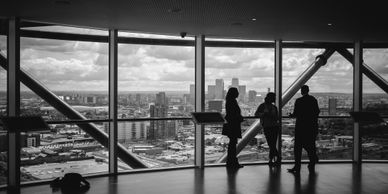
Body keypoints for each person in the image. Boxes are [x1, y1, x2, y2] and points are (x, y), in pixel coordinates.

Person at [287, 85, 320, 174]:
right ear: (308, 90)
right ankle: (312, 161)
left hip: (301, 127)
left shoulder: (299, 101)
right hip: (311, 127)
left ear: (302, 91)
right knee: (310, 145)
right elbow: (317, 112)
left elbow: (295, 113)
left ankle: (297, 166)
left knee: (298, 147)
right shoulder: (313, 100)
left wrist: (291, 115)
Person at [255, 92, 281, 167]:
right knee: (272, 144)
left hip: (270, 126)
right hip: (271, 127)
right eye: (274, 97)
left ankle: (272, 160)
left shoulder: (264, 106)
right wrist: (265, 114)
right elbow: (256, 114)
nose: (275, 99)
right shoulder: (272, 107)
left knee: (271, 144)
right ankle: (277, 158)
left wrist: (264, 115)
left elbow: (257, 114)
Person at [222, 87, 244, 169]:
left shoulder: (229, 101)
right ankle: (232, 162)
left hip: (231, 124)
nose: (238, 93)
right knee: (233, 144)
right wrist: (239, 118)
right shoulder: (232, 101)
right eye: (237, 92)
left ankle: (231, 162)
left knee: (232, 144)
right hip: (233, 125)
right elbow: (234, 114)